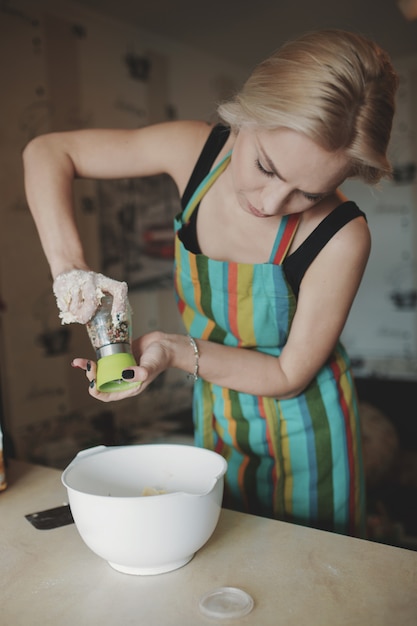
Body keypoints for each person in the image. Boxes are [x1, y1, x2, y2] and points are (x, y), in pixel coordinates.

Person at [23, 29, 399, 537]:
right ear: (243, 114)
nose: (269, 204)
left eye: (309, 193)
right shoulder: (193, 153)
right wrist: (71, 269)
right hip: (219, 410)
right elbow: (48, 153)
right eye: (265, 167)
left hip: (308, 432)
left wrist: (174, 350)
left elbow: (288, 373)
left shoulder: (344, 236)